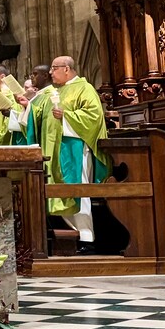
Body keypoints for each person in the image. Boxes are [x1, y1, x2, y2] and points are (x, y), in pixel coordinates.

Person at [32, 56, 111, 253]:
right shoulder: (53, 91)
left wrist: (66, 116)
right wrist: (28, 106)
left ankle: (87, 238)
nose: (50, 73)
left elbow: (94, 116)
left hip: (74, 149)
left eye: (54, 68)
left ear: (66, 69)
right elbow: (37, 115)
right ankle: (72, 235)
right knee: (58, 193)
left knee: (78, 191)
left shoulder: (84, 88)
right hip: (53, 149)